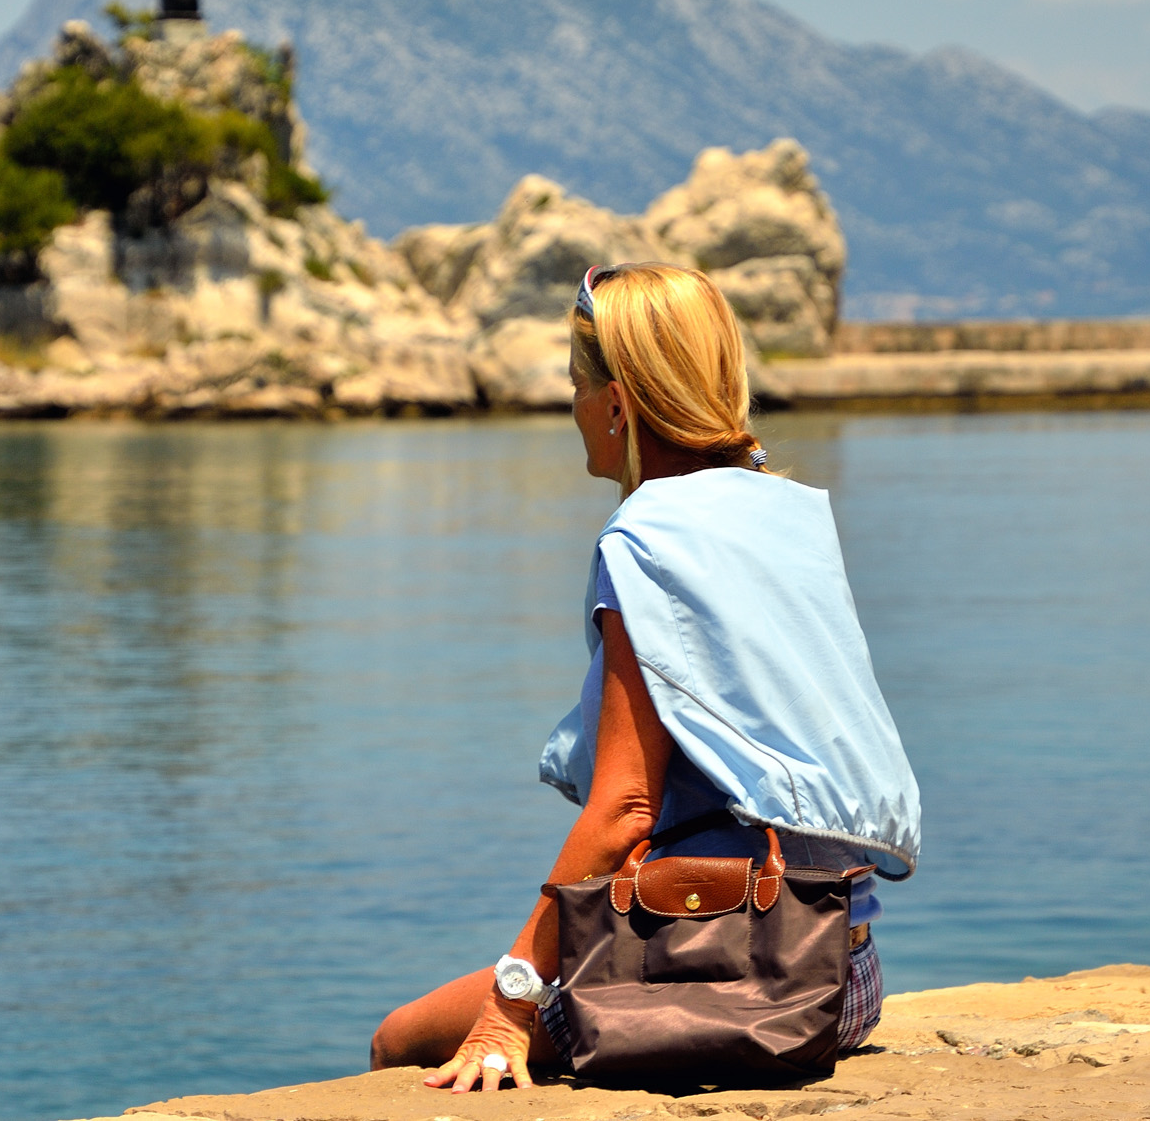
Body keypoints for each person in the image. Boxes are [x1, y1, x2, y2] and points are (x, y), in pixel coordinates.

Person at [369, 262, 922, 1093]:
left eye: (575, 386)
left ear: (619, 403)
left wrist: (509, 1003)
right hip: (846, 978)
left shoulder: (644, 542)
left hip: (738, 978)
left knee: (399, 1040)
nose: (573, 409)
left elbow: (624, 807)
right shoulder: (786, 512)